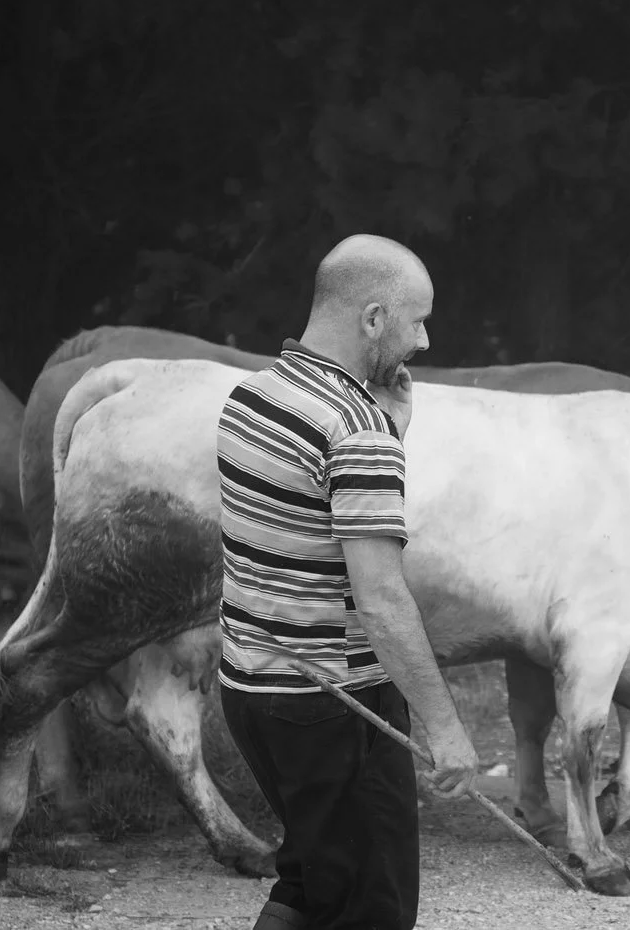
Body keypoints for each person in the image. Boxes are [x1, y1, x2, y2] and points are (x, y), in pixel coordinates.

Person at [215, 234, 479, 930]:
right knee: (374, 910)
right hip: (334, 707)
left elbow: (300, 526)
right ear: (372, 318)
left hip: (252, 692)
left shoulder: (252, 396)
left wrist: (390, 433)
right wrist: (446, 728)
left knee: (312, 879)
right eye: (415, 319)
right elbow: (383, 598)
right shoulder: (356, 430)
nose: (423, 339)